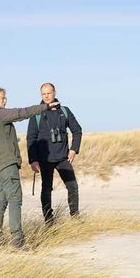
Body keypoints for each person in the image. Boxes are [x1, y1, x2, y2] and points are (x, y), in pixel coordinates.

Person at [0, 87, 55, 247]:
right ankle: (17, 240)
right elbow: (21, 113)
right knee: (15, 199)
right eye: (2, 98)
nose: (5, 100)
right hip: (6, 165)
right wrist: (44, 107)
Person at [26, 83, 82, 224]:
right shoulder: (36, 114)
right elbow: (31, 138)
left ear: (54, 92)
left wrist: (74, 149)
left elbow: (77, 130)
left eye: (49, 93)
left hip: (63, 157)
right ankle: (49, 221)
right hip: (45, 159)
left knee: (73, 187)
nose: (46, 96)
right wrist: (33, 160)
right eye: (43, 94)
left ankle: (75, 217)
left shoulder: (64, 111)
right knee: (46, 189)